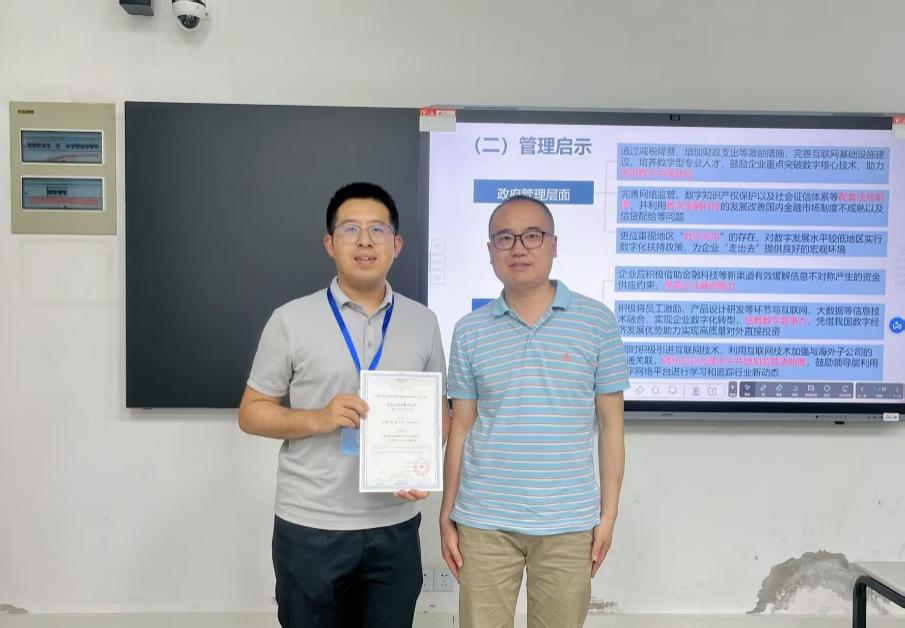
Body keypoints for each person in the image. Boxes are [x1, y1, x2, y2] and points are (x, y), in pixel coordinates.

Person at [239, 182, 448, 628]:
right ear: (330, 244)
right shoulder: (290, 319)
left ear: (397, 244)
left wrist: (423, 466)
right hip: (311, 525)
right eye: (351, 229)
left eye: (377, 229)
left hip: (394, 525)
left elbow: (439, 418)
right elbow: (252, 412)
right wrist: (318, 418)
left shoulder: (423, 322)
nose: (365, 241)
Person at [439, 195, 629, 628]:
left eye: (532, 236)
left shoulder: (597, 322)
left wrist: (608, 515)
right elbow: (461, 428)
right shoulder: (469, 331)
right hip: (484, 520)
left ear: (554, 245)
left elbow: (611, 427)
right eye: (505, 238)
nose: (519, 248)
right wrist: (447, 514)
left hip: (569, 522)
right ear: (490, 251)